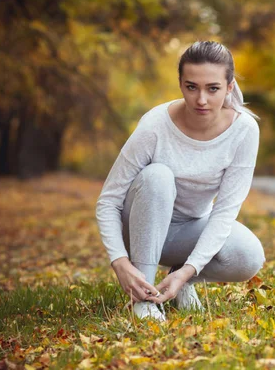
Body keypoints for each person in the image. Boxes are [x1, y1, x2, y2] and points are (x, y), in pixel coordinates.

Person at [96, 41, 265, 321]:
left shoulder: (244, 130)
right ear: (180, 84)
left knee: (249, 256)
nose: (201, 100)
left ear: (229, 87)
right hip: (139, 230)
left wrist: (188, 271)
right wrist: (120, 262)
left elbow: (224, 211)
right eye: (191, 87)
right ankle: (144, 298)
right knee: (158, 176)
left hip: (186, 233)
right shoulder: (155, 125)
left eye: (213, 89)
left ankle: (178, 281)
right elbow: (109, 201)